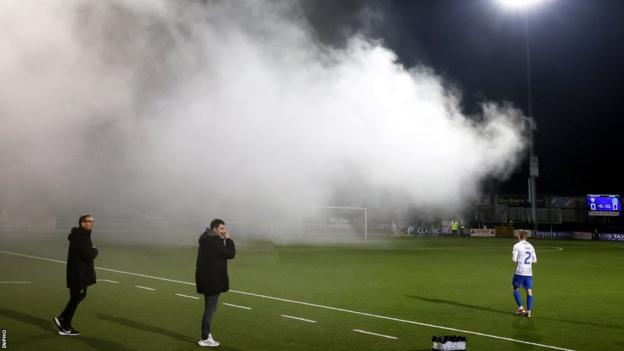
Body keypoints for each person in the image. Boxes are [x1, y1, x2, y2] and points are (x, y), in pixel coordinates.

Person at [53, 214, 99, 336]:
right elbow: (87, 255)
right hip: (78, 275)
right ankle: (64, 323)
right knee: (77, 297)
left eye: (93, 221)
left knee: (77, 297)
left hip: (78, 273)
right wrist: (95, 250)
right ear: (82, 223)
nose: (92, 223)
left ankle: (63, 320)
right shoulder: (81, 236)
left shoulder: (81, 235)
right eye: (89, 221)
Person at [195, 219, 236, 347]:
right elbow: (230, 254)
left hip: (206, 280)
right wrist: (228, 239)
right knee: (210, 310)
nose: (224, 231)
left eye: (224, 228)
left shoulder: (205, 239)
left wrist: (222, 240)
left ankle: (206, 335)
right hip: (213, 282)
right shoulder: (214, 242)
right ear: (214, 229)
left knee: (209, 308)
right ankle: (205, 337)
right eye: (221, 229)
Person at [511, 230, 537, 317]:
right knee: (529, 292)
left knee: (514, 288)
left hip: (520, 271)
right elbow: (534, 260)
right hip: (529, 272)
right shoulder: (531, 246)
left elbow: (514, 259)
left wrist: (520, 259)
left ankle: (521, 309)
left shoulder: (517, 246)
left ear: (519, 236)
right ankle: (528, 311)